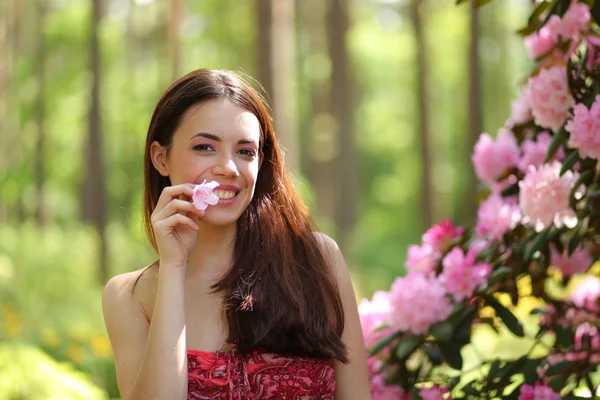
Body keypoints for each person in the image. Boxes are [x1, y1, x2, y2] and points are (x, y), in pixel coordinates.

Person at [102, 69, 371, 399]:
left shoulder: (316, 262)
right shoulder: (129, 296)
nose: (228, 168)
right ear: (161, 157)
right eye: (205, 147)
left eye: (245, 151)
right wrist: (174, 268)